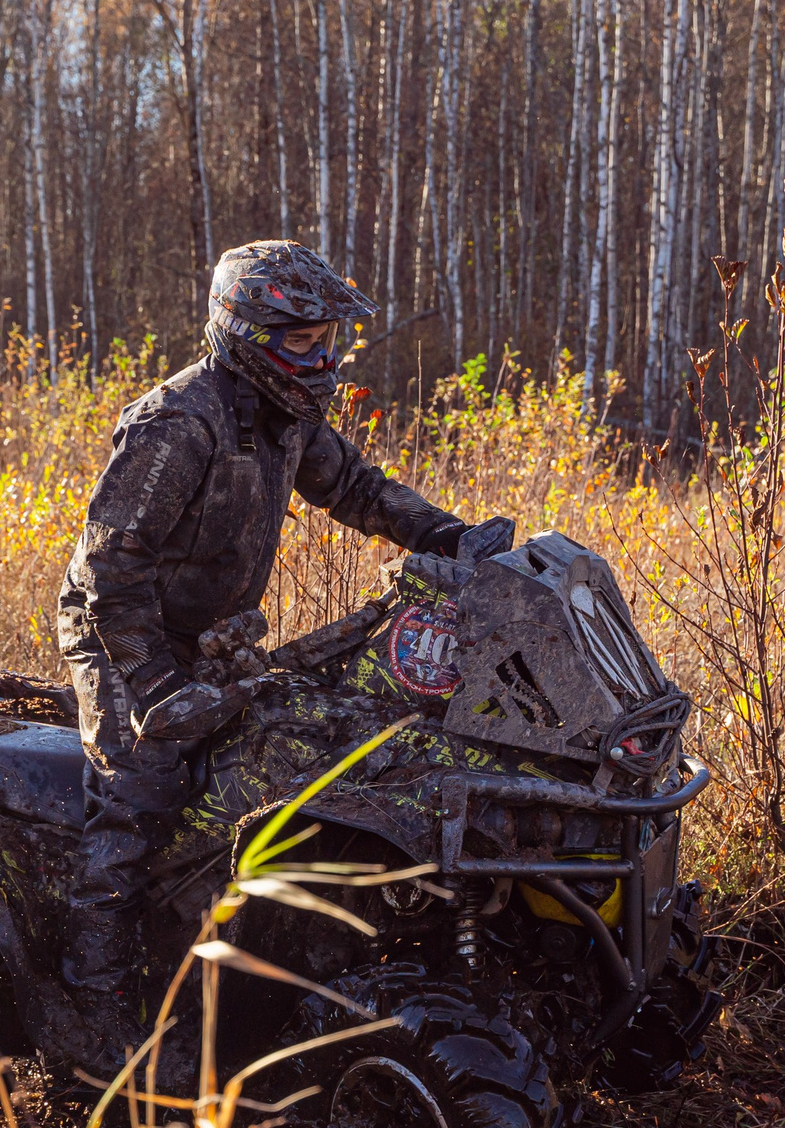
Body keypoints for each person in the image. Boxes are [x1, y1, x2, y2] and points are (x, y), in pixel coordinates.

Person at [54, 239, 472, 1046]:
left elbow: (357, 489)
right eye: (304, 343)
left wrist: (454, 539)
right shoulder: (178, 424)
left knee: (281, 755)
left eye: (328, 342)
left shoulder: (286, 417)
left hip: (209, 630)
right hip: (119, 627)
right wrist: (154, 688)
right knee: (139, 797)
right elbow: (109, 568)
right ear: (245, 334)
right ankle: (94, 1022)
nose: (323, 359)